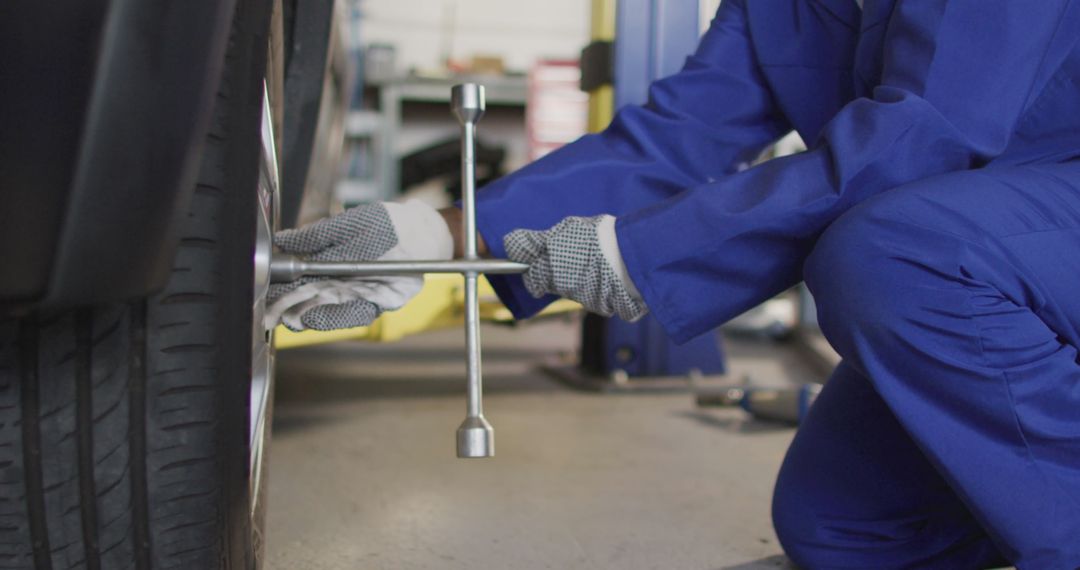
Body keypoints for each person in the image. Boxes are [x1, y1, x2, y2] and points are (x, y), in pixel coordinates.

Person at [268, 1, 1080, 567]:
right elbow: (674, 138)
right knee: (845, 529)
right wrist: (443, 234)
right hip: (998, 252)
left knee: (893, 253)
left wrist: (641, 253)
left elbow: (927, 136)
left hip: (1036, 227)